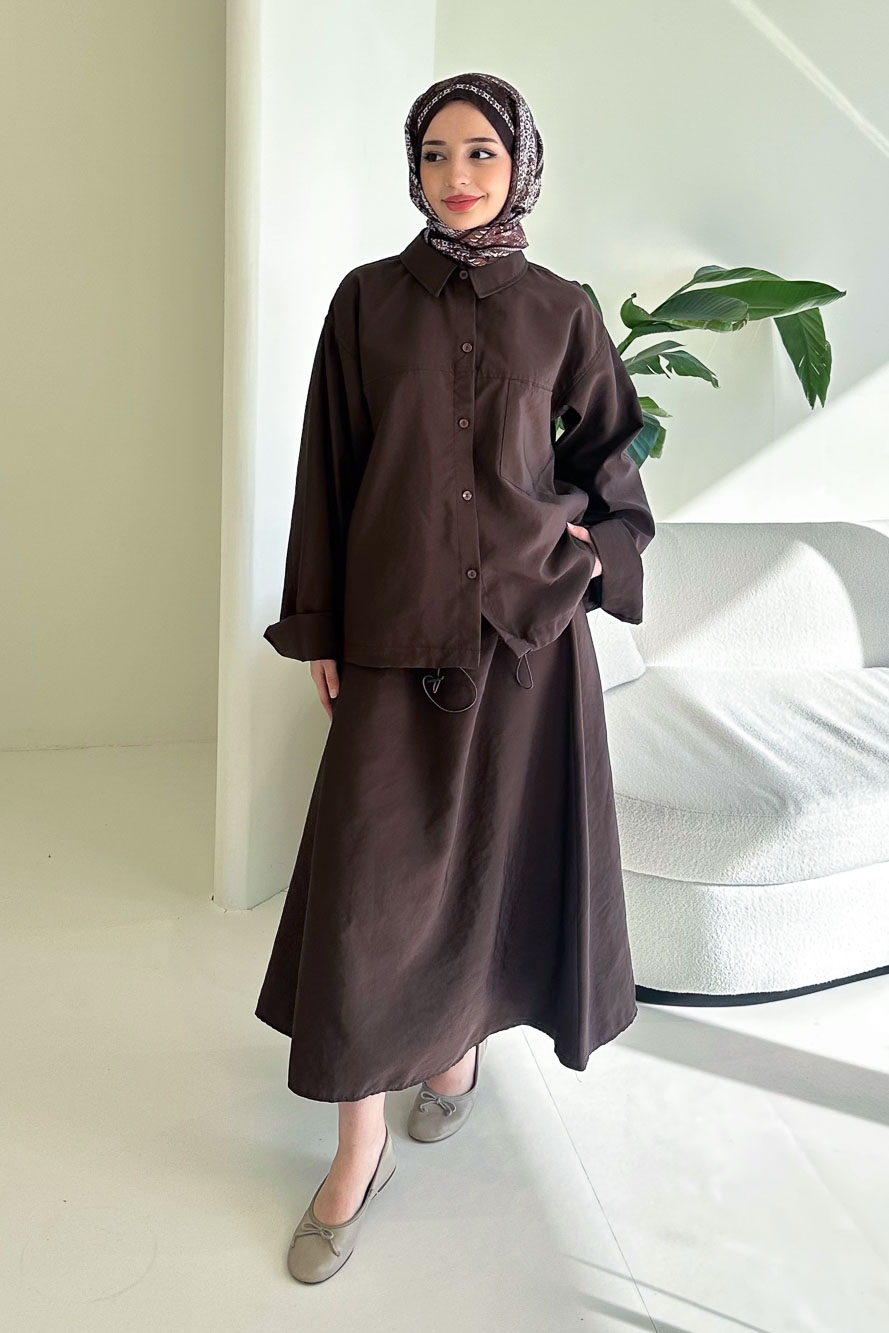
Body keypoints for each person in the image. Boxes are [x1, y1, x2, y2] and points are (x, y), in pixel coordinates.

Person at [255, 71, 655, 1284]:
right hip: (395, 634)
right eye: (435, 154)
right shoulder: (367, 303)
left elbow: (613, 462)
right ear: (413, 169)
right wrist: (321, 623)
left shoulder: (562, 311)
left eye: (481, 151)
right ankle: (358, 1149)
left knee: (494, 864)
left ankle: (453, 1053)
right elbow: (329, 470)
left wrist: (591, 550)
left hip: (527, 643)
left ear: (520, 164)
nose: (457, 175)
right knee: (370, 890)